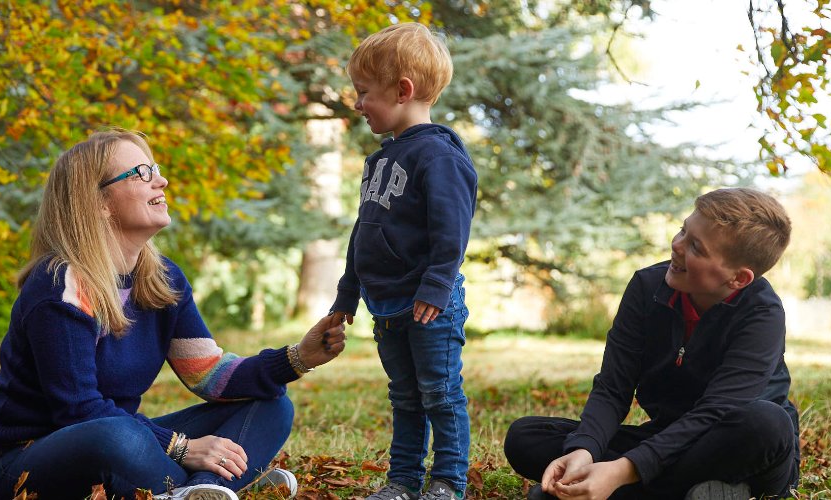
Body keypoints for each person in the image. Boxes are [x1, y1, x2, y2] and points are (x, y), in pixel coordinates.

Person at [0, 129, 348, 500]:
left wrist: (298, 358)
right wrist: (182, 448)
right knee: (119, 434)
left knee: (272, 405)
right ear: (99, 203)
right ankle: (212, 485)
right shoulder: (59, 285)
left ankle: (205, 491)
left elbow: (211, 375)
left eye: (153, 167)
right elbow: (78, 411)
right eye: (141, 172)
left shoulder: (162, 279)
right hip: (34, 462)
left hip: (120, 445)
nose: (161, 179)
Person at [503, 188, 799, 500]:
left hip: (735, 444)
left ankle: (616, 490)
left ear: (738, 279)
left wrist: (620, 470)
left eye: (696, 247)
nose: (677, 245)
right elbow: (612, 389)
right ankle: (701, 492)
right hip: (667, 440)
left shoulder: (762, 314)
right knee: (526, 436)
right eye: (684, 230)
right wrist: (585, 451)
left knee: (767, 423)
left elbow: (715, 413)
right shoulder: (646, 287)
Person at [324, 22, 479, 500]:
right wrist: (348, 291)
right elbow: (363, 232)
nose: (356, 103)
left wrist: (435, 286)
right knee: (405, 396)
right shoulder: (379, 161)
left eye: (363, 92)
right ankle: (403, 481)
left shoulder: (438, 157)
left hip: (429, 303)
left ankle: (448, 481)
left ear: (403, 90)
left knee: (440, 392)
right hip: (386, 304)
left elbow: (452, 231)